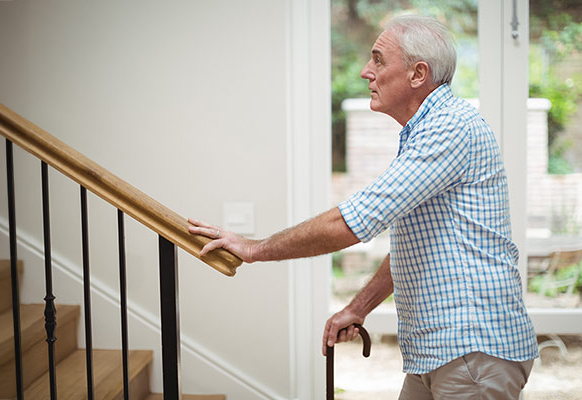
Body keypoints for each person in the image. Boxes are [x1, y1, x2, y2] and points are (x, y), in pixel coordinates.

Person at [189, 14, 538, 399]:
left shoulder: (449, 128)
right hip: (445, 354)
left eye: (377, 60)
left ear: (418, 74)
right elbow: (420, 245)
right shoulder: (427, 130)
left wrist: (254, 249)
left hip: (473, 350)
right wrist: (359, 306)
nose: (364, 72)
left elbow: (351, 222)